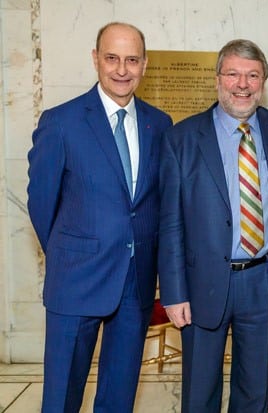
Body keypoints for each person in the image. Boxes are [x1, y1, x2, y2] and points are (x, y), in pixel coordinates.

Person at [27, 22, 172, 412]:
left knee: (118, 396)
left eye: (131, 60)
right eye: (112, 58)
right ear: (96, 59)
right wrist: (70, 253)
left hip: (135, 282)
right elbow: (41, 205)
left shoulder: (159, 124)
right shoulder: (61, 122)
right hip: (76, 280)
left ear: (144, 64)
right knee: (61, 397)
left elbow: (155, 202)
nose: (121, 69)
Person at [158, 39, 268, 413]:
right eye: (233, 74)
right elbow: (170, 224)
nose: (242, 84)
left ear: (263, 82)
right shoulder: (181, 138)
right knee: (200, 392)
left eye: (252, 75)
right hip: (203, 283)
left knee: (254, 392)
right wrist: (173, 292)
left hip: (264, 278)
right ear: (217, 79)